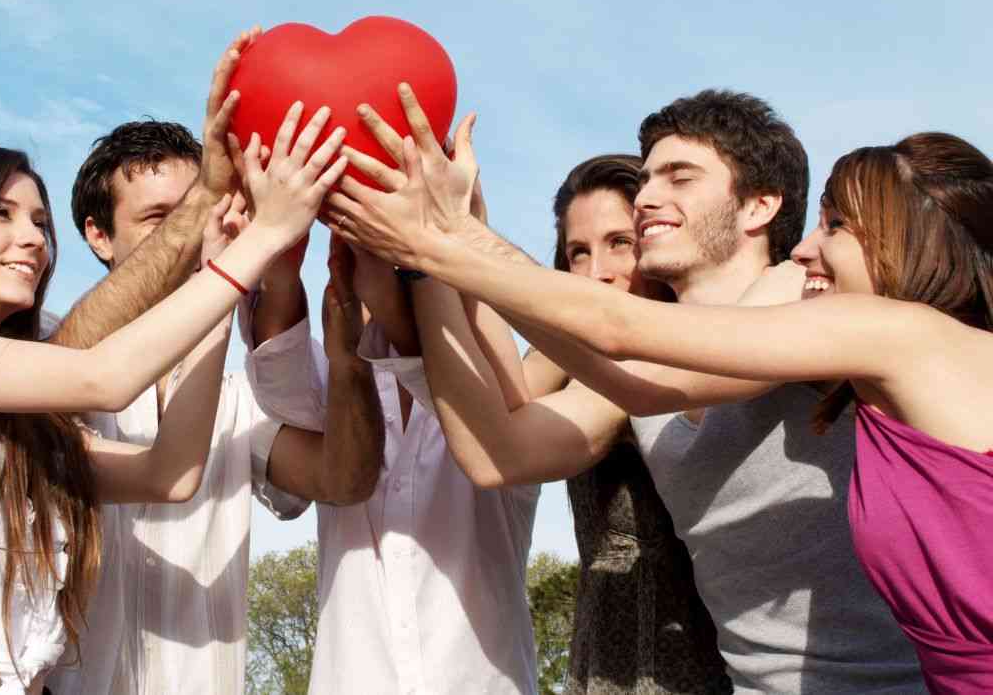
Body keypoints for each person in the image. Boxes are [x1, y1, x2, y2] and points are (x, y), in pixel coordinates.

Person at [329, 85, 925, 693]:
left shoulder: (801, 291)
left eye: (679, 178)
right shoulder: (635, 379)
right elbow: (496, 453)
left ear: (758, 207)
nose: (646, 199)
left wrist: (445, 238)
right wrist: (424, 266)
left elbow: (627, 347)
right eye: (646, 181)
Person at [0, 113, 347, 695]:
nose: (33, 237)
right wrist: (259, 243)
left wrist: (214, 271)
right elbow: (102, 377)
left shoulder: (18, 420)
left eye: (38, 220)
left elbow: (171, 475)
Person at [47, 101, 384, 694]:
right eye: (161, 218)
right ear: (98, 236)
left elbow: (343, 481)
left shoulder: (239, 397)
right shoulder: (44, 351)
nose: (195, 231)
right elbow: (68, 367)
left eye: (204, 206)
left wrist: (347, 355)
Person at [406, 153, 730, 693]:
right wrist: (464, 240)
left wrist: (439, 251)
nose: (596, 271)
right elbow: (512, 394)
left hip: (687, 664)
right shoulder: (571, 356)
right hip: (601, 653)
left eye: (619, 243)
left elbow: (499, 452)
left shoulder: (683, 353)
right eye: (578, 253)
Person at [237, 163, 540, 692]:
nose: (388, 258)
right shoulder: (335, 377)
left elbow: (471, 404)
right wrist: (283, 269)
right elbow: (279, 383)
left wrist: (454, 238)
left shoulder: (493, 388)